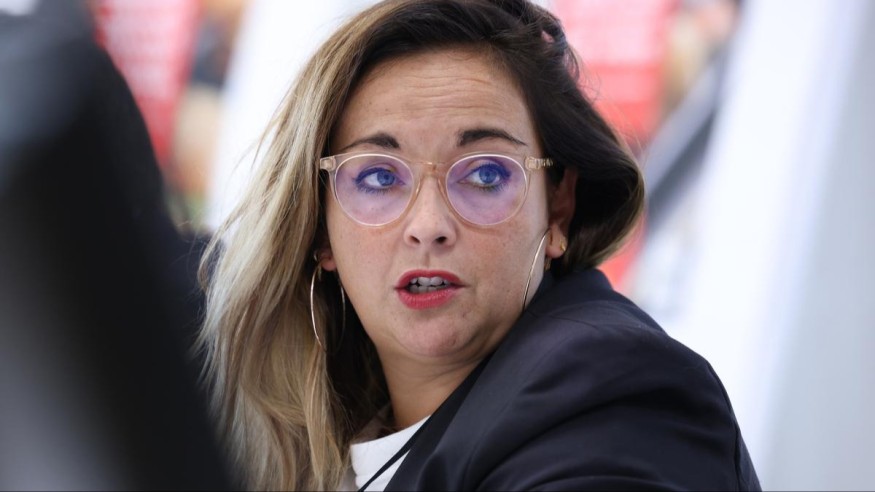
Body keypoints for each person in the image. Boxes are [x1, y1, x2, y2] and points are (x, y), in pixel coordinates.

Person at [197, 0, 761, 490]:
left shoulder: (612, 389)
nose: (428, 225)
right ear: (321, 231)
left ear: (558, 208)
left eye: (486, 174)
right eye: (379, 177)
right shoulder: (321, 422)